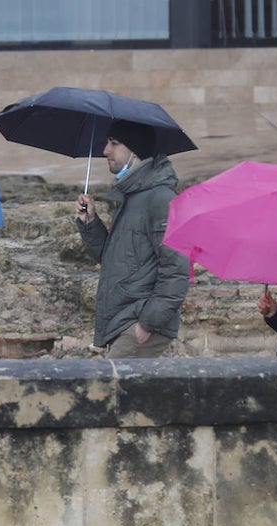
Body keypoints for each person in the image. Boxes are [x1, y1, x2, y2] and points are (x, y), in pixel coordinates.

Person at [75, 120, 189, 358]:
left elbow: (176, 268)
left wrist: (147, 323)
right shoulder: (131, 196)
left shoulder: (160, 199)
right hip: (123, 319)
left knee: (111, 391)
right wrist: (91, 224)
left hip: (138, 322)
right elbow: (114, 259)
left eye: (114, 143)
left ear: (135, 151)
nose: (105, 151)